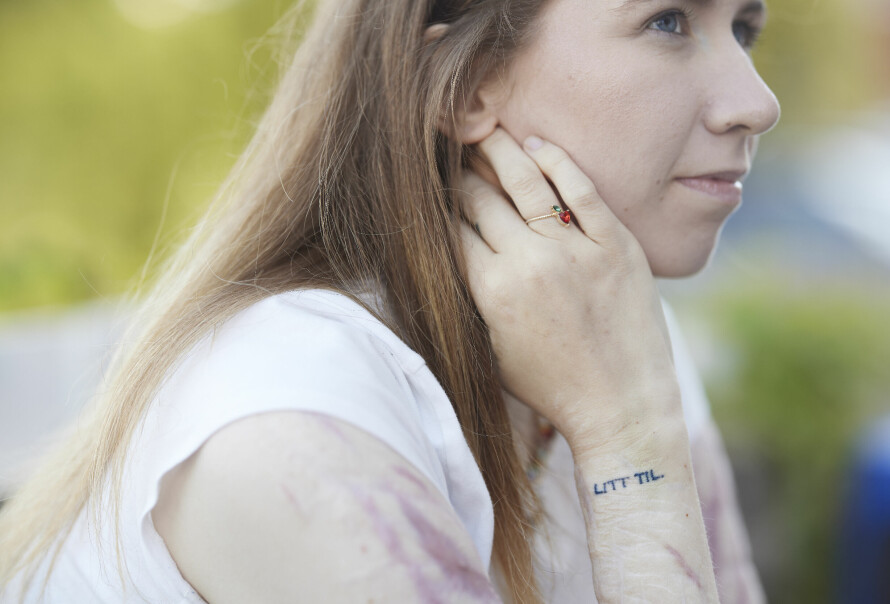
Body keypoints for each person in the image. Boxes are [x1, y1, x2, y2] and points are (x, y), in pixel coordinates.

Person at [0, 0, 780, 601]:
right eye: (668, 20)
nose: (757, 101)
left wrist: (630, 424)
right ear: (466, 86)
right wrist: (628, 443)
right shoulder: (289, 417)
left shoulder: (621, 337)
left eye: (744, 26)